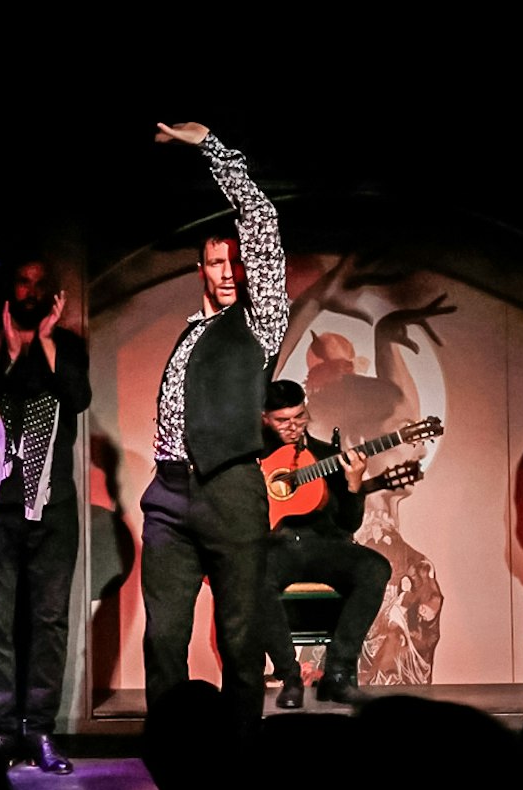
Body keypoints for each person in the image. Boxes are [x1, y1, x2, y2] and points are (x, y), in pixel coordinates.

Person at [140, 121, 287, 738]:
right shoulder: (191, 329)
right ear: (201, 267)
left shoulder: (259, 323)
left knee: (240, 635)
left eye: (237, 261)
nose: (230, 270)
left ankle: (240, 758)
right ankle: (173, 755)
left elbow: (262, 224)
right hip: (169, 496)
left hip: (229, 491)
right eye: (217, 261)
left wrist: (210, 149)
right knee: (164, 636)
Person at [0, 257, 91, 774]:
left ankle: (39, 731)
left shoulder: (68, 348)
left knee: (48, 621)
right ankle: (0, 729)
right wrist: (11, 357)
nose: (33, 291)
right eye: (25, 282)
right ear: (11, 288)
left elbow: (78, 397)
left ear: (55, 297)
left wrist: (43, 342)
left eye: (42, 285)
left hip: (52, 507)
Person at [258, 378, 393, 707]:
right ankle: (289, 676)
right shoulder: (253, 460)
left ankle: (337, 672)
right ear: (264, 418)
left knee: (375, 568)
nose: (293, 426)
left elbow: (349, 523)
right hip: (277, 546)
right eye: (283, 420)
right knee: (252, 575)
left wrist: (353, 484)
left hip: (324, 545)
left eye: (299, 417)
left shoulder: (327, 455)